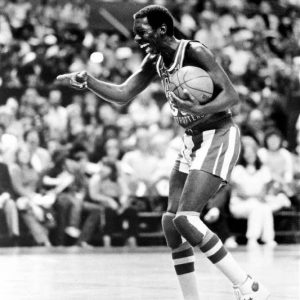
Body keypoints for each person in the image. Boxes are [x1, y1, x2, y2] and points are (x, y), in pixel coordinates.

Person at [57, 5, 269, 300]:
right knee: (171, 223)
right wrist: (89, 81)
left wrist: (198, 108)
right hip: (191, 140)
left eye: (142, 32)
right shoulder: (154, 60)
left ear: (161, 30)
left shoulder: (194, 52)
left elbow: (232, 96)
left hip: (218, 135)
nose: (137, 38)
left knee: (186, 218)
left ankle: (247, 286)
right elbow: (123, 94)